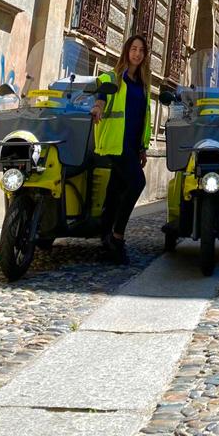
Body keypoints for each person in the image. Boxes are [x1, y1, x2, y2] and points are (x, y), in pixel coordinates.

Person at [91, 34, 152, 265]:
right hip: (115, 143)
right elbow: (103, 93)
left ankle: (105, 242)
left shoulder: (143, 84)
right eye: (133, 49)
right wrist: (97, 107)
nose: (136, 53)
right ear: (126, 51)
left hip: (132, 145)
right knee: (138, 183)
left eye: (141, 50)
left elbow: (142, 119)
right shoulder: (114, 77)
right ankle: (117, 236)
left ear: (145, 55)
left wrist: (143, 148)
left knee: (115, 191)